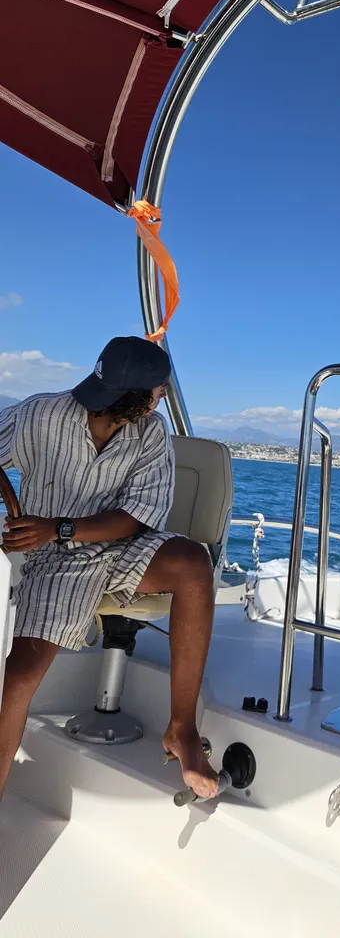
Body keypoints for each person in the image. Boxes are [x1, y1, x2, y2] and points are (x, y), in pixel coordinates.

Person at [0, 336, 218, 800]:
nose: (162, 397)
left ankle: (182, 729)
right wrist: (13, 504)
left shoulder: (151, 432)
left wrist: (56, 527)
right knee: (16, 683)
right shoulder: (38, 415)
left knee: (193, 562)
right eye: (158, 390)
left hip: (119, 548)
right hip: (53, 563)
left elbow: (137, 518)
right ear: (134, 399)